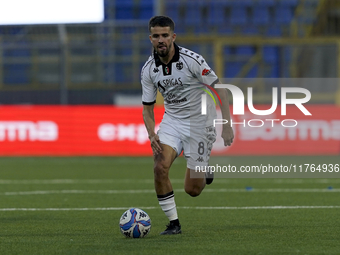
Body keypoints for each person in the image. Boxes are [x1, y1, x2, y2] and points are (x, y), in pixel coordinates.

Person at [141, 16, 234, 235]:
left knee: (192, 190)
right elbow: (147, 108)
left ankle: (204, 168)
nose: (161, 40)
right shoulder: (148, 70)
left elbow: (220, 89)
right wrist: (151, 133)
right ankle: (174, 224)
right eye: (156, 36)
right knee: (159, 166)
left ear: (173, 37)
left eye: (165, 35)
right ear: (151, 39)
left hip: (200, 121)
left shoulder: (192, 60)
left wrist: (227, 124)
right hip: (172, 120)